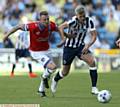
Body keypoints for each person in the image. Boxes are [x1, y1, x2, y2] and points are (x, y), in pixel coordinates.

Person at [3, 11, 65, 97]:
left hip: (47, 50)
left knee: (50, 71)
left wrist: (65, 37)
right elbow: (18, 27)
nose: (46, 21)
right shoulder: (32, 26)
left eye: (47, 19)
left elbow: (59, 29)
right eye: (44, 20)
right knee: (53, 67)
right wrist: (6, 35)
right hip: (36, 52)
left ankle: (41, 90)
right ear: (40, 20)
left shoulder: (51, 25)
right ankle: (43, 77)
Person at [51, 5, 99, 95]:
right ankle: (55, 79)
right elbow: (60, 27)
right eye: (80, 16)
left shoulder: (89, 21)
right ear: (76, 16)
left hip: (80, 46)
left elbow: (94, 36)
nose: (83, 18)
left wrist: (88, 45)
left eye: (84, 15)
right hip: (69, 48)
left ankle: (94, 88)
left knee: (92, 62)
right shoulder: (72, 21)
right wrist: (64, 38)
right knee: (65, 72)